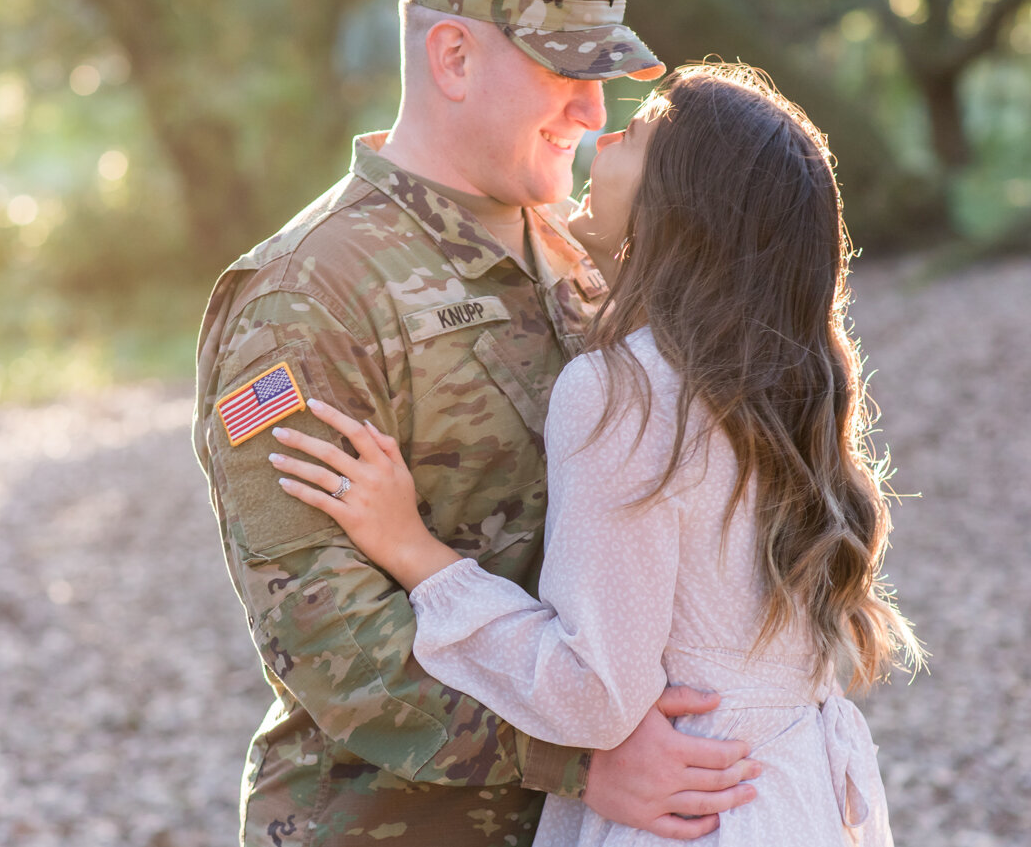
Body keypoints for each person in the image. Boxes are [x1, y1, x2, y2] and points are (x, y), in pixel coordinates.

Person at [192, 0, 759, 847]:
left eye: (604, 75)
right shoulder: (305, 298)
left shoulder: (585, 250)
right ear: (453, 57)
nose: (592, 109)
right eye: (564, 72)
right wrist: (579, 760)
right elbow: (326, 640)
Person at [271, 62, 925, 845]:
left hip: (690, 810)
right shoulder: (786, 383)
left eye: (636, 132)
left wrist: (416, 553)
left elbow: (595, 693)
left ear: (678, 204)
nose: (601, 133)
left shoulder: (625, 392)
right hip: (797, 800)